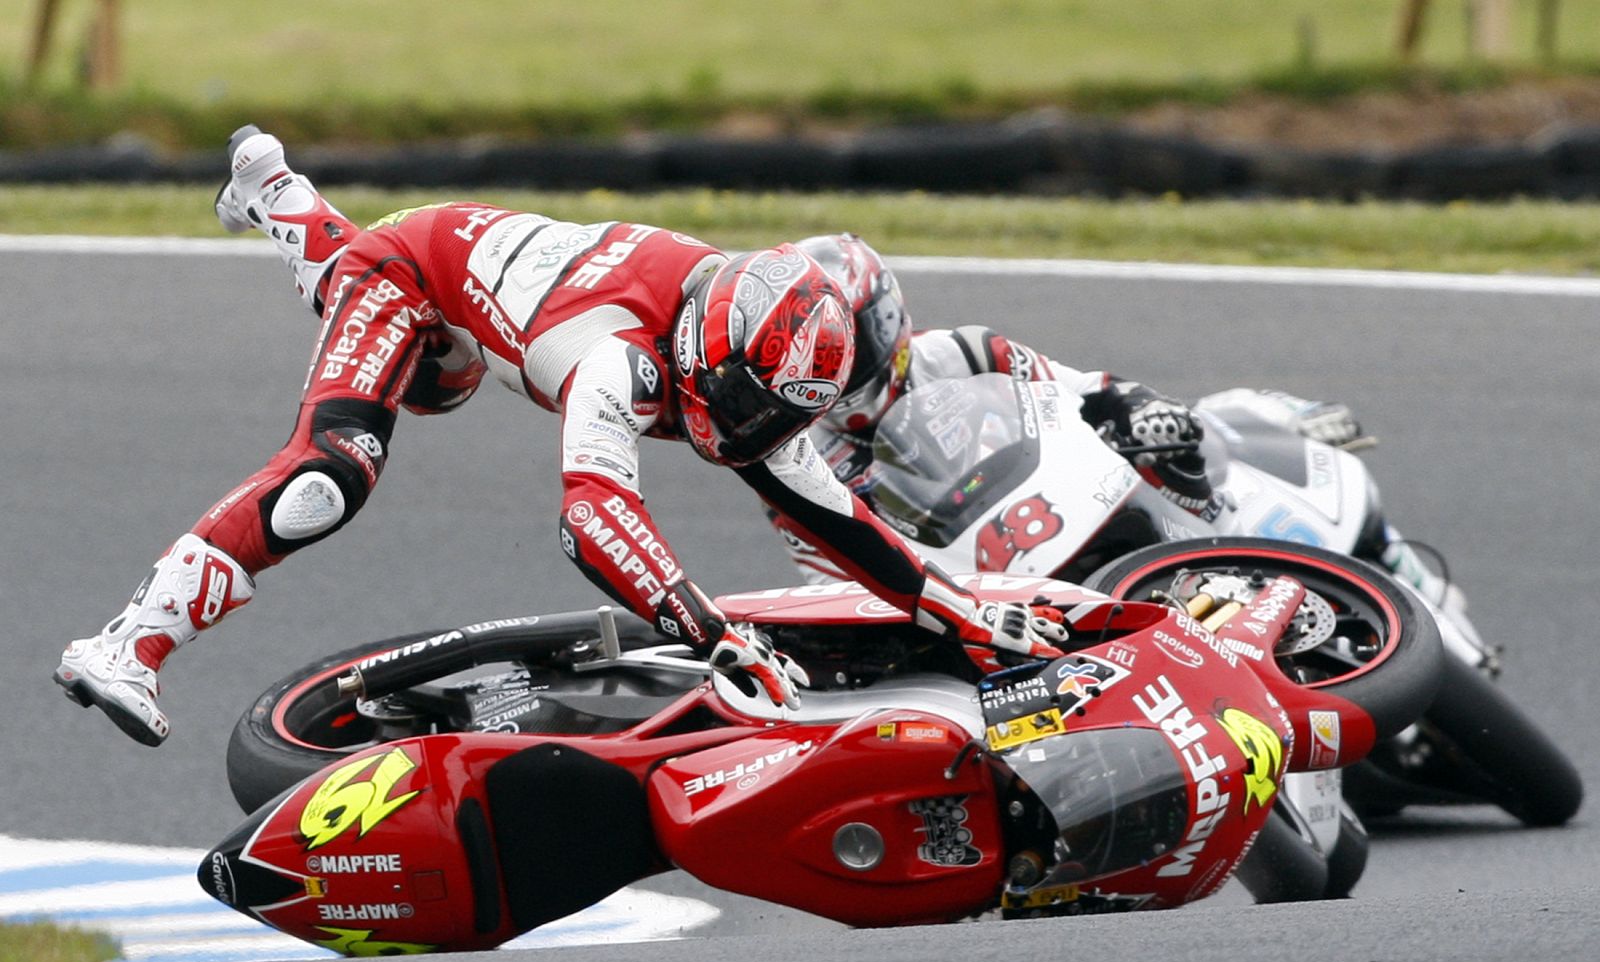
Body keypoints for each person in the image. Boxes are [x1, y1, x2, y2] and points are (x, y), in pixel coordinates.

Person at [54, 128, 1065, 747]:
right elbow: (592, 518)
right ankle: (128, 643)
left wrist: (968, 616)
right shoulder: (614, 355)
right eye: (739, 403)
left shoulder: (749, 354)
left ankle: (275, 191)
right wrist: (713, 632)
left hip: (473, 320)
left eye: (772, 415)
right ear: (702, 354)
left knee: (437, 383)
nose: (749, 434)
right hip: (415, 271)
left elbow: (836, 516)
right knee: (332, 472)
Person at [769, 233, 1452, 614]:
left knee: (1207, 435)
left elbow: (1085, 390)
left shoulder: (964, 352)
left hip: (1079, 497)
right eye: (824, 355)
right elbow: (834, 583)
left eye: (851, 343)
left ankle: (1409, 580)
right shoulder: (797, 460)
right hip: (992, 584)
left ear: (885, 320)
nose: (842, 365)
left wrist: (1142, 410)